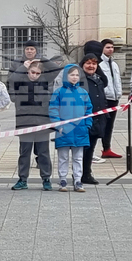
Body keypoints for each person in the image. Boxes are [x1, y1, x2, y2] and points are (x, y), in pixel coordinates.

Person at [10, 60, 53, 191]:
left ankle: (46, 178)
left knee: (43, 153)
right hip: (25, 123)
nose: (34, 75)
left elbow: (55, 68)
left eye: (37, 73)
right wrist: (23, 67)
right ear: (28, 71)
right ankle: (22, 179)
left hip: (42, 123)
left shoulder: (46, 83)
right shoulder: (20, 83)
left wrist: (42, 60)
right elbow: (11, 80)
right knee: (24, 153)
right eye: (32, 72)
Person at [50, 64, 92, 192]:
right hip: (63, 130)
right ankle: (63, 179)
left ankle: (78, 180)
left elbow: (89, 110)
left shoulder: (83, 92)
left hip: (80, 130)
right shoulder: (58, 92)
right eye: (72, 75)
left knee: (78, 157)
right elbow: (53, 110)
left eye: (77, 75)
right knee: (63, 157)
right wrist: (58, 125)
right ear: (65, 76)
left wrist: (87, 124)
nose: (74, 77)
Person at [80, 53, 109, 185]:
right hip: (84, 119)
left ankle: (86, 174)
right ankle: (80, 174)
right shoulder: (79, 79)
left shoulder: (99, 79)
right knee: (83, 148)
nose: (91, 66)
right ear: (83, 65)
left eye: (94, 63)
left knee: (91, 147)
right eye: (88, 63)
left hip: (98, 117)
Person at [99, 39, 123, 159]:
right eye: (108, 47)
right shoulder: (99, 64)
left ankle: (106, 148)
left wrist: (119, 93)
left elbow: (117, 80)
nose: (111, 49)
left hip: (114, 98)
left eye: (112, 47)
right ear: (102, 48)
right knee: (100, 124)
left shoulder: (113, 64)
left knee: (109, 125)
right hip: (104, 98)